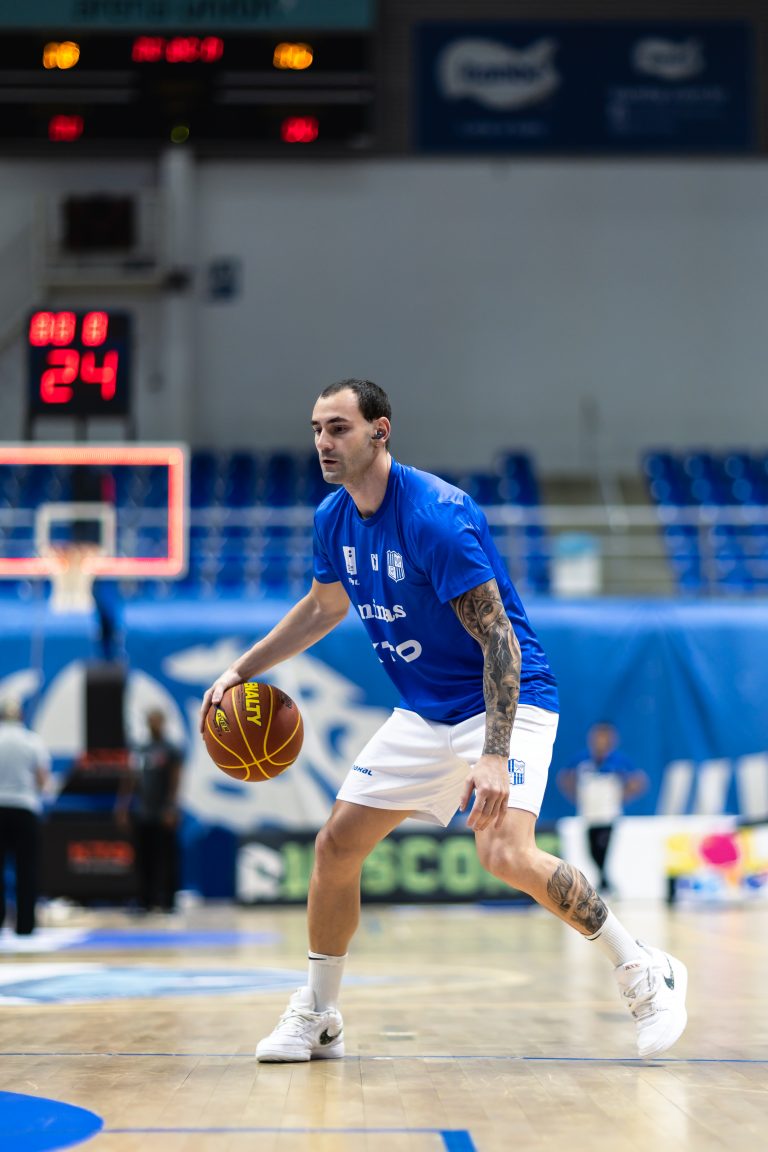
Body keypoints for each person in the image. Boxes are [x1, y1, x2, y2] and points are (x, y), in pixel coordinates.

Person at [201, 378, 688, 1063]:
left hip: (507, 698)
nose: (323, 442)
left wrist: (493, 753)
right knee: (336, 846)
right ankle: (319, 1012)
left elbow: (499, 640)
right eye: (316, 429)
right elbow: (321, 609)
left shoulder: (435, 516)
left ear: (380, 431)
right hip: (426, 713)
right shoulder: (332, 519)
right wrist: (240, 670)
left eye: (338, 428)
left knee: (503, 853)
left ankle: (643, 968)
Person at [557, 722, 649, 896]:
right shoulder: (582, 759)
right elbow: (564, 777)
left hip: (608, 814)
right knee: (591, 851)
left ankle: (605, 884)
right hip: (589, 814)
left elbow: (639, 780)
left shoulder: (619, 761)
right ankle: (604, 883)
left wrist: (622, 796)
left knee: (603, 850)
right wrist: (576, 796)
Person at [117, 709, 183, 913]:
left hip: (163, 811)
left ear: (163, 722)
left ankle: (168, 901)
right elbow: (130, 778)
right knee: (144, 857)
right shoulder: (140, 749)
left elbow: (176, 779)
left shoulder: (171, 749)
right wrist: (123, 806)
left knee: (166, 858)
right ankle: (146, 900)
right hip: (143, 811)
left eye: (157, 720)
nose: (153, 724)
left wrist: (171, 806)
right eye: (150, 720)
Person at [0, 697, 51, 936]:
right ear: (20, 716)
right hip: (24, 808)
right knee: (26, 869)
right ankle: (25, 925)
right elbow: (42, 780)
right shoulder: (32, 741)